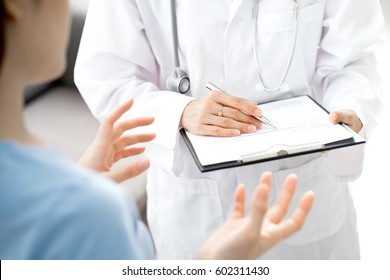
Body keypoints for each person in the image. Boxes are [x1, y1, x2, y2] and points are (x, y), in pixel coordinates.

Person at [0, 0, 314, 260]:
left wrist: (77, 184)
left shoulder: (73, 205)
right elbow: (103, 74)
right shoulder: (93, 216)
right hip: (195, 208)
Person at [75, 0, 384, 259]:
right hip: (195, 208)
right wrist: (180, 111)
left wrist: (351, 108)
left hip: (304, 199)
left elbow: (353, 59)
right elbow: (106, 75)